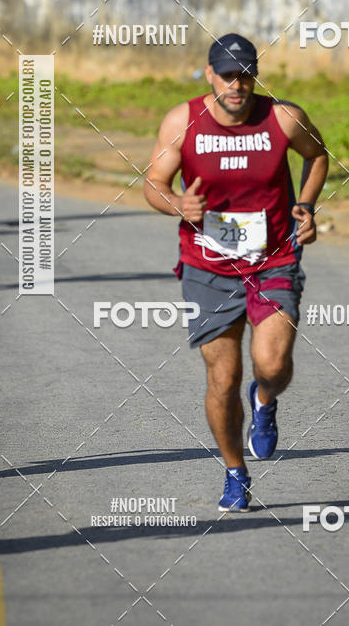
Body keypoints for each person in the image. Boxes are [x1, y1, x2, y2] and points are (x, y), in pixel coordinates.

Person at [143, 33, 328, 511]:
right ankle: (234, 472)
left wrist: (305, 206)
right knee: (221, 380)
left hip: (273, 259)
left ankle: (265, 401)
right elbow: (154, 184)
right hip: (207, 264)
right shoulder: (183, 121)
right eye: (228, 75)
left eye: (246, 75)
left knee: (272, 365)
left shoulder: (283, 117)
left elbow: (318, 155)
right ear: (210, 75)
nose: (238, 85)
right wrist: (176, 204)